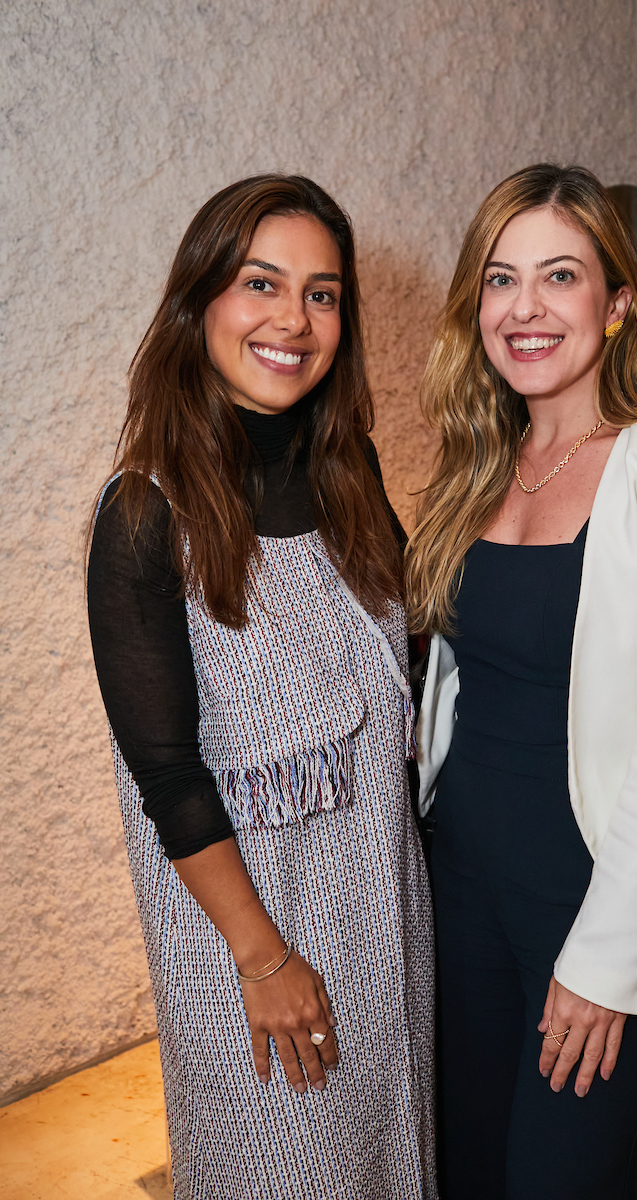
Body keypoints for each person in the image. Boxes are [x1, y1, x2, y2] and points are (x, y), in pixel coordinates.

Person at [405, 163, 637, 1200]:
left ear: (617, 304)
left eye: (559, 276)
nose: (524, 307)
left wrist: (605, 957)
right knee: (467, 1171)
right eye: (500, 279)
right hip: (459, 879)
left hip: (594, 885)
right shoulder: (481, 459)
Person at [87, 175, 436, 1200]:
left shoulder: (346, 471)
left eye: (322, 294)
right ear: (199, 303)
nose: (293, 318)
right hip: (256, 936)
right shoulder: (145, 514)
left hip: (383, 908)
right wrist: (265, 962)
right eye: (260, 283)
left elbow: (413, 648)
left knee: (391, 1159)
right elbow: (166, 772)